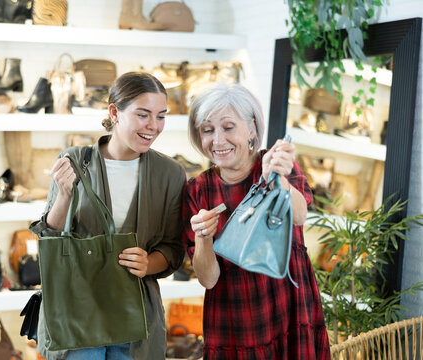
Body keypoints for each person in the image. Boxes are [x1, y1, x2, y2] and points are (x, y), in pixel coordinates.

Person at [30, 72, 186, 360]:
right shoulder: (74, 160)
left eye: (161, 116)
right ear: (115, 112)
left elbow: (173, 247)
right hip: (78, 315)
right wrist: (64, 196)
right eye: (143, 115)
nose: (154, 126)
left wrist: (148, 263)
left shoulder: (170, 174)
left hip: (136, 316)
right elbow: (50, 237)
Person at [182, 83, 331, 359]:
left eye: (228, 127)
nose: (217, 140)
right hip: (235, 321)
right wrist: (203, 237)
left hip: (289, 307)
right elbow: (208, 279)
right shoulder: (198, 190)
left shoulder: (275, 164)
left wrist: (277, 180)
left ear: (251, 128)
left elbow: (299, 215)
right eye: (207, 130)